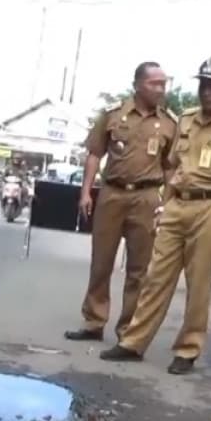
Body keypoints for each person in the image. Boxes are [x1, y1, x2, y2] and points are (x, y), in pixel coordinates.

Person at [99, 57, 211, 375]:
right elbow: (173, 163)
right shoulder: (187, 120)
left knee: (198, 281)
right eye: (203, 84)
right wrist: (166, 200)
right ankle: (133, 342)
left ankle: (187, 349)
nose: (207, 91)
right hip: (178, 204)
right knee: (155, 276)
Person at [64, 62, 179, 343]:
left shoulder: (168, 123)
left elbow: (170, 169)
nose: (161, 89)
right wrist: (86, 192)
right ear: (138, 85)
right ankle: (93, 322)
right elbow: (94, 154)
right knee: (101, 262)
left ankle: (128, 330)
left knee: (140, 269)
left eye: (164, 84)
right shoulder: (113, 115)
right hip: (112, 195)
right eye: (155, 83)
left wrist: (170, 203)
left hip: (148, 198)